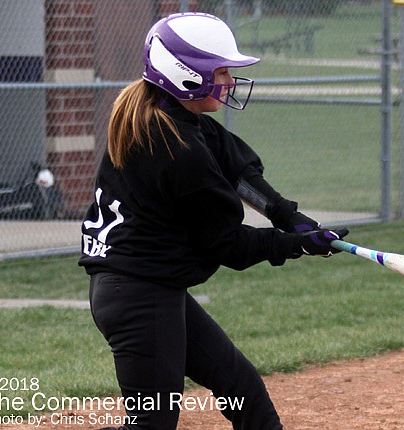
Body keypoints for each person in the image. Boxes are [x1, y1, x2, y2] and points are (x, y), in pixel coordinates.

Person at [79, 12, 348, 430]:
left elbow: (239, 171)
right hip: (139, 295)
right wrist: (295, 245)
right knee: (153, 424)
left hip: (146, 288)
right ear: (185, 75)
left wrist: (289, 217)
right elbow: (227, 245)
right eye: (220, 71)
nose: (228, 81)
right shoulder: (176, 148)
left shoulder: (167, 116)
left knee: (242, 389)